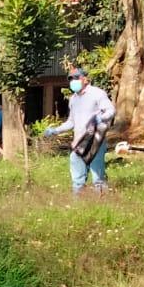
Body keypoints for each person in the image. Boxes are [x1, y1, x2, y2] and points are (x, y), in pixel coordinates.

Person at [45, 69, 117, 197]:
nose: (73, 81)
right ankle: (78, 202)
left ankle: (102, 201)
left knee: (97, 175)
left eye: (76, 78)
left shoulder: (97, 93)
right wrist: (56, 130)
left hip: (96, 139)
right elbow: (71, 122)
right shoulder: (73, 99)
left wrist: (101, 118)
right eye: (71, 79)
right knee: (76, 171)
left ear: (85, 79)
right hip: (79, 141)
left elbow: (111, 111)